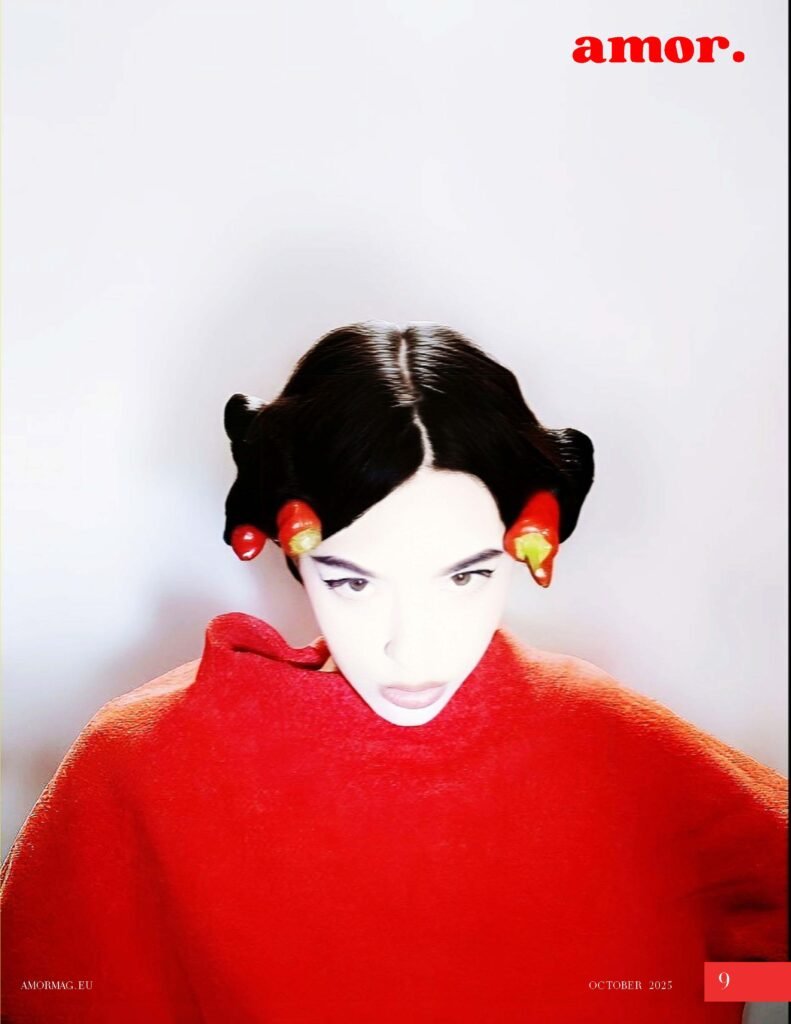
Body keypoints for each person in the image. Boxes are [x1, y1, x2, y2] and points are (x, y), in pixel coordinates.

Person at [1, 321, 787, 1023]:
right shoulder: (147, 763)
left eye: (465, 577)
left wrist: (688, 985)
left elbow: (764, 965)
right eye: (352, 582)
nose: (412, 649)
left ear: (525, 543)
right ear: (293, 557)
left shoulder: (614, 747)